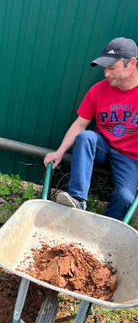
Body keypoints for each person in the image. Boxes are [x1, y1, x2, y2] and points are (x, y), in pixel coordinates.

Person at [44, 37, 138, 221]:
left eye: (112, 68)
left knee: (126, 197)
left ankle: (104, 232)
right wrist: (59, 152)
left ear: (131, 64)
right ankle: (78, 200)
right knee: (86, 137)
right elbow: (80, 124)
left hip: (131, 158)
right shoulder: (98, 90)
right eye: (105, 68)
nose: (106, 74)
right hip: (103, 146)